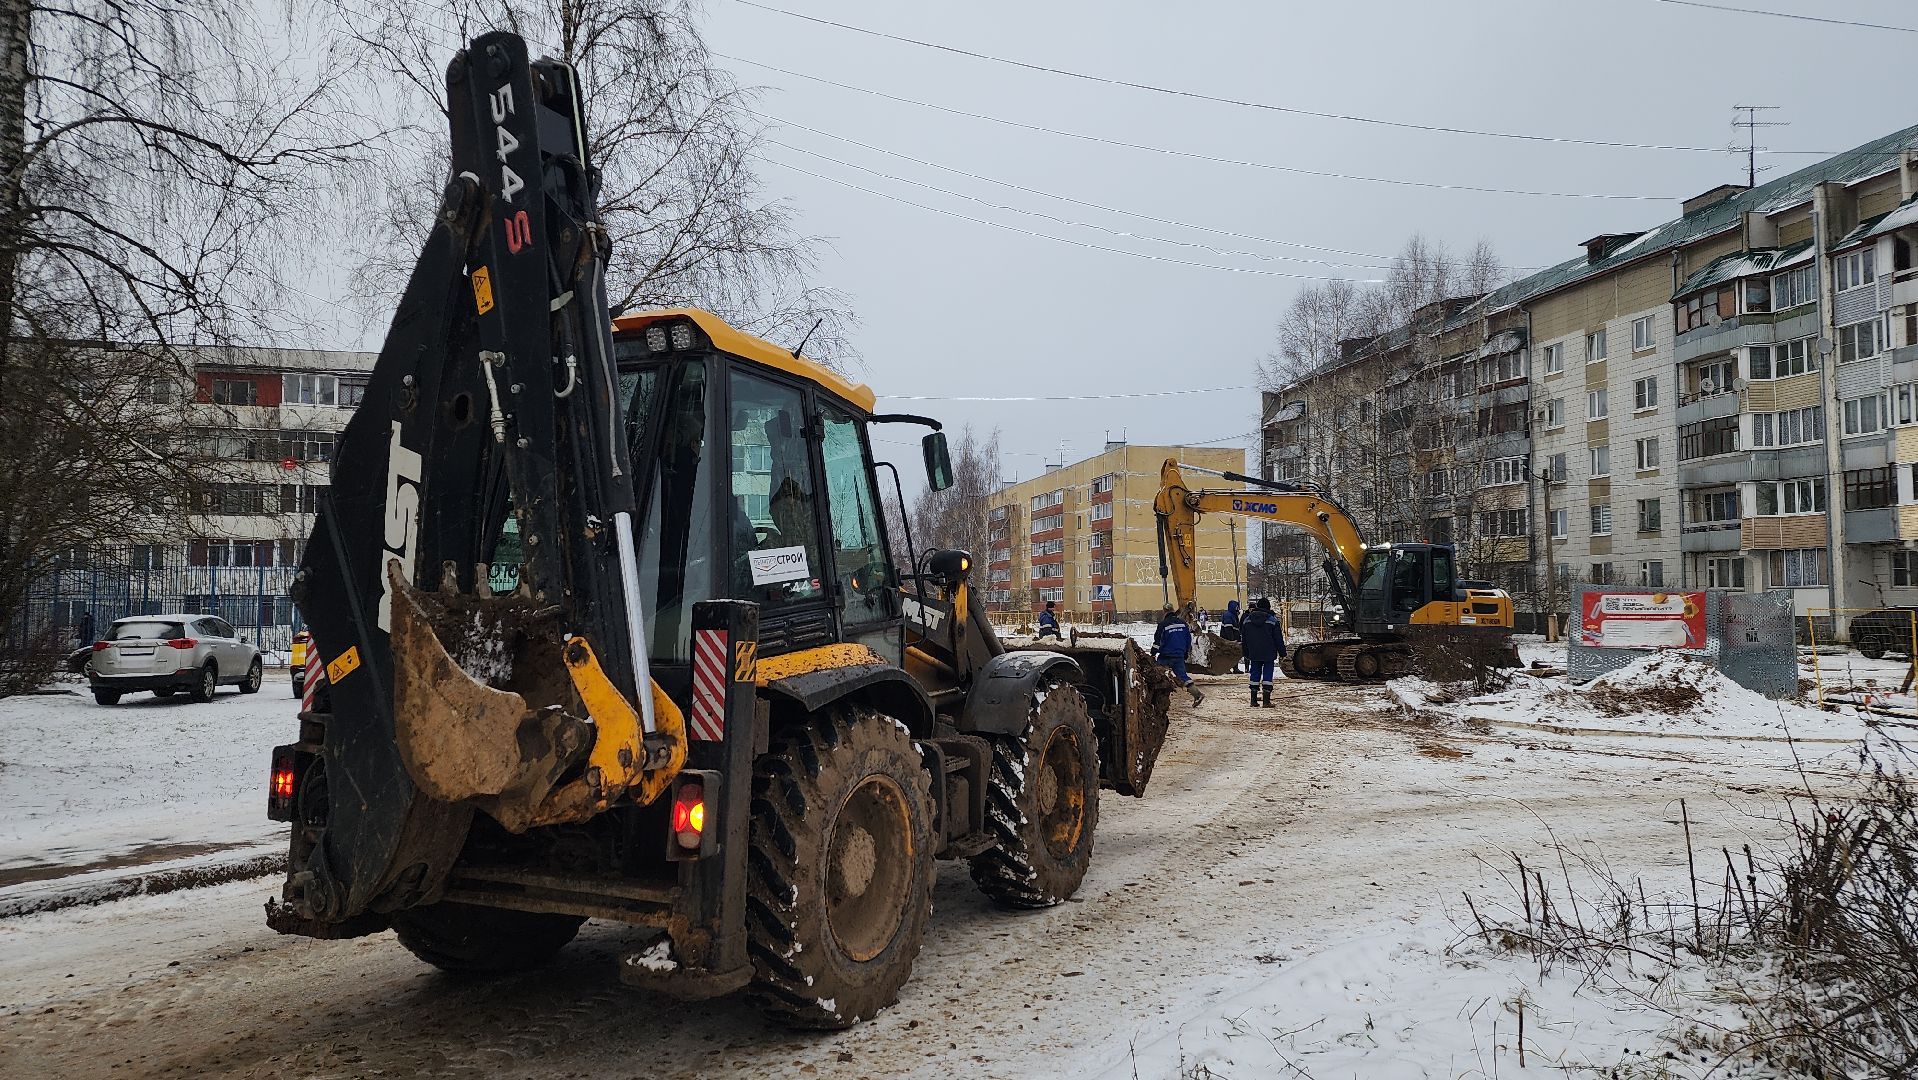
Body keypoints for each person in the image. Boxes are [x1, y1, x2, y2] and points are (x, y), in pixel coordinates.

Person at [1152, 606, 1205, 706]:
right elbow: (1188, 639)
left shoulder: (1163, 625)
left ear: (1165, 612)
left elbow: (1157, 641)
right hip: (1179, 655)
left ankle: (1155, 701)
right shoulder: (1183, 624)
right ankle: (1197, 694)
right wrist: (1185, 652)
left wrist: (1153, 652)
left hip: (1165, 656)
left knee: (1157, 674)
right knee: (1182, 676)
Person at [1239, 597, 1285, 708]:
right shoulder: (1272, 620)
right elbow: (1278, 638)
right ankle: (1266, 701)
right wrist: (1282, 653)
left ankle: (1253, 700)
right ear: (1268, 607)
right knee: (1267, 674)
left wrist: (1246, 652)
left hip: (1254, 652)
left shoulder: (1247, 620)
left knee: (1254, 673)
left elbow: (1244, 638)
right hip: (1269, 652)